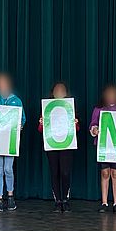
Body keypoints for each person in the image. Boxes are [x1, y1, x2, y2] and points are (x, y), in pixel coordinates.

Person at [89, 84, 116, 214]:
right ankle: (104, 202)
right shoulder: (98, 109)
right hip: (104, 147)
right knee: (105, 173)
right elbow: (92, 124)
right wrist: (94, 129)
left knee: (115, 173)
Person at [0, 72, 26, 212]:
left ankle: (10, 196)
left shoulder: (17, 101)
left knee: (8, 169)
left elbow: (22, 119)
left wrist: (20, 125)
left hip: (10, 141)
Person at [38, 81, 78, 213]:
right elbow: (41, 130)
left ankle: (65, 199)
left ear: (66, 93)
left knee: (65, 172)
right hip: (52, 145)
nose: (59, 92)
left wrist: (75, 123)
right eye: (57, 90)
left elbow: (76, 129)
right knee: (54, 172)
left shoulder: (70, 108)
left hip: (66, 145)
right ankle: (57, 201)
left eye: (62, 90)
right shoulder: (48, 108)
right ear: (53, 93)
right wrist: (42, 123)